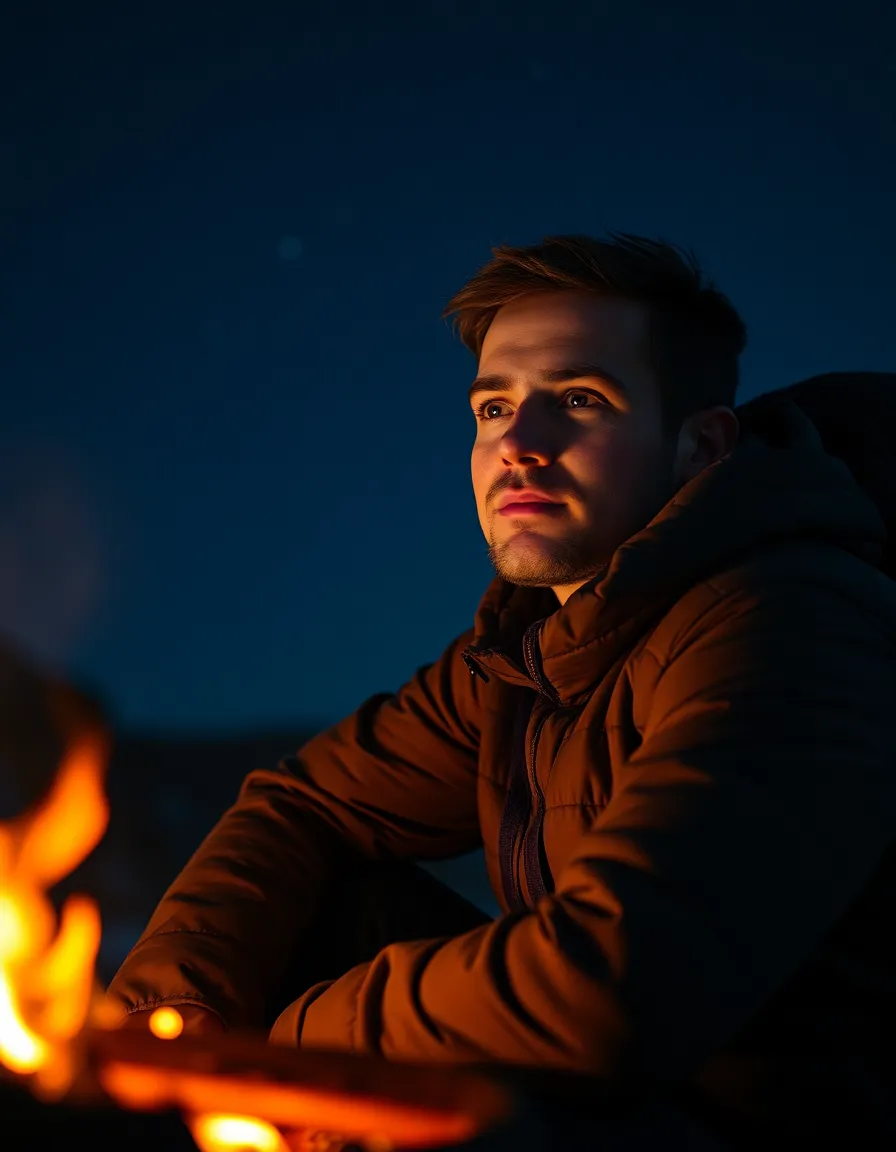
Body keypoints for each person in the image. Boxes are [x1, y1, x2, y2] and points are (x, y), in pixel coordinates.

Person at [107, 232, 896, 1148]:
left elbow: (608, 993)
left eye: (579, 400)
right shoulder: (535, 650)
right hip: (626, 1105)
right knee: (317, 901)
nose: (518, 444)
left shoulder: (795, 620)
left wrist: (282, 1050)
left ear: (700, 447)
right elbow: (300, 806)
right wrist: (169, 1019)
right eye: (492, 409)